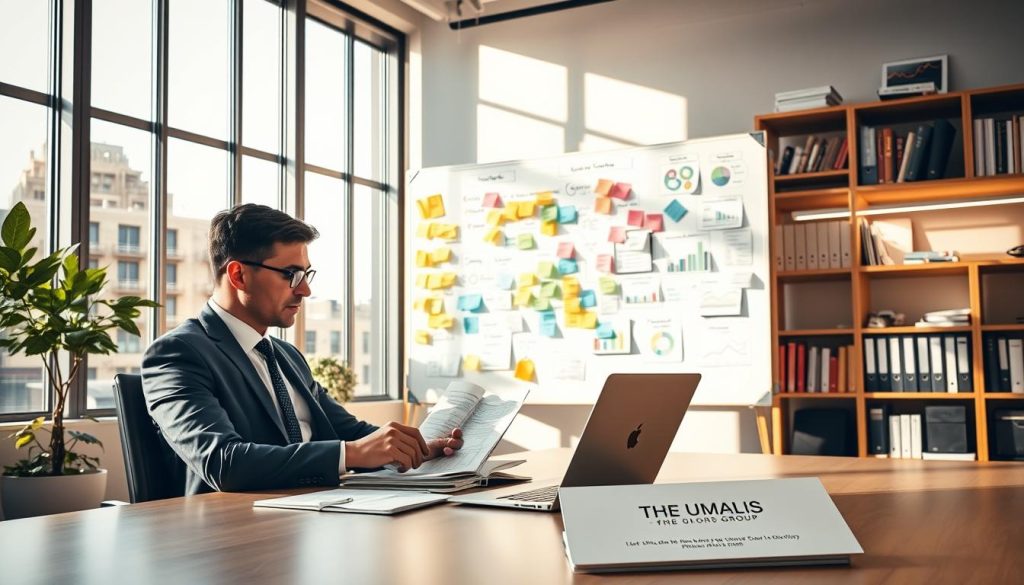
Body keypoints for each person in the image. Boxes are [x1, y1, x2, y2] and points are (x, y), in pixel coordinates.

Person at [142, 203, 462, 495]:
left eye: (306, 274)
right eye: (292, 275)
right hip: (236, 534)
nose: (305, 289)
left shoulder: (286, 356)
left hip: (319, 512)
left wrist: (416, 446)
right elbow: (224, 463)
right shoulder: (177, 354)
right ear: (238, 275)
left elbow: (349, 431)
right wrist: (353, 453)